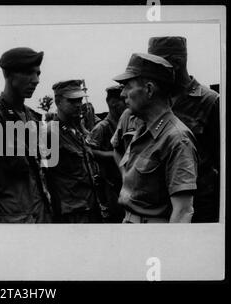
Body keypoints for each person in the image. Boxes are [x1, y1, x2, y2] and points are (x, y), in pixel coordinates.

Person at [112, 53, 198, 223]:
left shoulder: (177, 139)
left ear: (149, 90)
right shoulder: (142, 128)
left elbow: (183, 212)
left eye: (128, 86)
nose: (122, 94)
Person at [0, 47, 52, 223]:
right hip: (12, 224)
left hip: (42, 217)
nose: (36, 80)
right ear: (9, 74)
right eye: (29, 73)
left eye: (38, 74)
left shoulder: (34, 118)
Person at [148, 36, 220, 223]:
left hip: (198, 206)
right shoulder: (157, 99)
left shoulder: (210, 101)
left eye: (158, 66)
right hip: (160, 205)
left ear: (177, 63)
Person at [45, 80, 102, 223]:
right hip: (71, 214)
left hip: (91, 207)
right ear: (58, 102)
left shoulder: (78, 130)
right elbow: (44, 177)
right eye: (72, 101)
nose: (78, 105)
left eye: (80, 100)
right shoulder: (51, 133)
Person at [88, 85, 127, 222]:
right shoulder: (102, 127)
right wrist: (112, 155)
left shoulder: (123, 124)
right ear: (113, 103)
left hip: (123, 181)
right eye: (124, 100)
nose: (127, 102)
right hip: (109, 184)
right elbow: (90, 151)